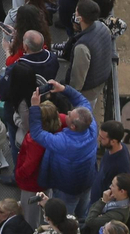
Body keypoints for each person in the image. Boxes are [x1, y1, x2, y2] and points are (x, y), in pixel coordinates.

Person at [26, 80, 98, 218]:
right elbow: (81, 99)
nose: (69, 112)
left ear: (73, 127)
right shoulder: (91, 127)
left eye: (70, 115)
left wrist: (35, 107)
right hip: (88, 182)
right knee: (83, 214)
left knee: (64, 218)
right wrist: (64, 89)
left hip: (67, 189)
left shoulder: (65, 143)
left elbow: (37, 133)